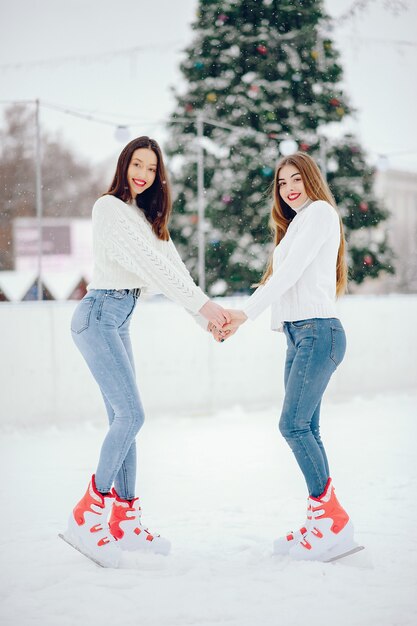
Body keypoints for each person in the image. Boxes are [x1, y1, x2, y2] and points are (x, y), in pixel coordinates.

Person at [61, 136, 230, 568]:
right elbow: (150, 268)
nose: (143, 173)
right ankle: (90, 511)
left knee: (125, 421)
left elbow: (175, 271)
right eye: (137, 164)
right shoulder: (109, 209)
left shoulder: (148, 218)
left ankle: (125, 520)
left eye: (151, 168)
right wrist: (207, 309)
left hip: (118, 319)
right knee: (132, 415)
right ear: (124, 165)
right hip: (98, 315)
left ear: (158, 175)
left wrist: (205, 319)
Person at [216, 152, 356, 562]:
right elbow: (286, 278)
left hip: (318, 332)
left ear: (312, 179)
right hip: (301, 335)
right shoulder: (297, 224)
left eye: (297, 179)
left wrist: (245, 313)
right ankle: (322, 520)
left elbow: (289, 274)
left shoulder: (320, 214)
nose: (290, 188)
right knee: (307, 428)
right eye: (281, 182)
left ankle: (332, 519)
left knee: (292, 426)